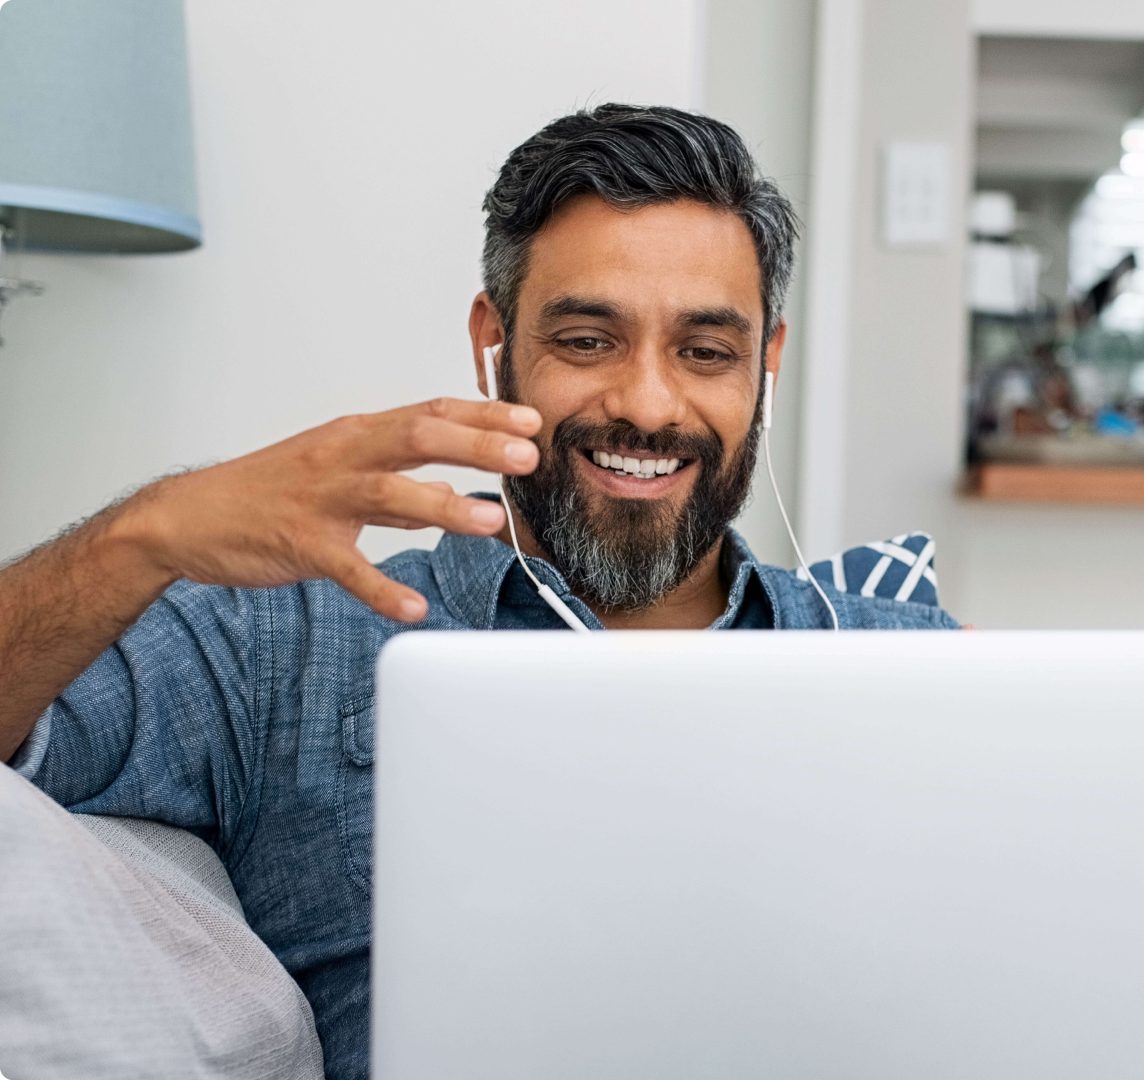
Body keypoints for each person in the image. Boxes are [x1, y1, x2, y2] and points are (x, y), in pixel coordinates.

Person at [0, 104, 958, 1080]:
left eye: (705, 352)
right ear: (492, 339)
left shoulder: (919, 665)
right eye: (587, 340)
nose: (647, 404)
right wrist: (143, 530)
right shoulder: (278, 636)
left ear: (767, 361)